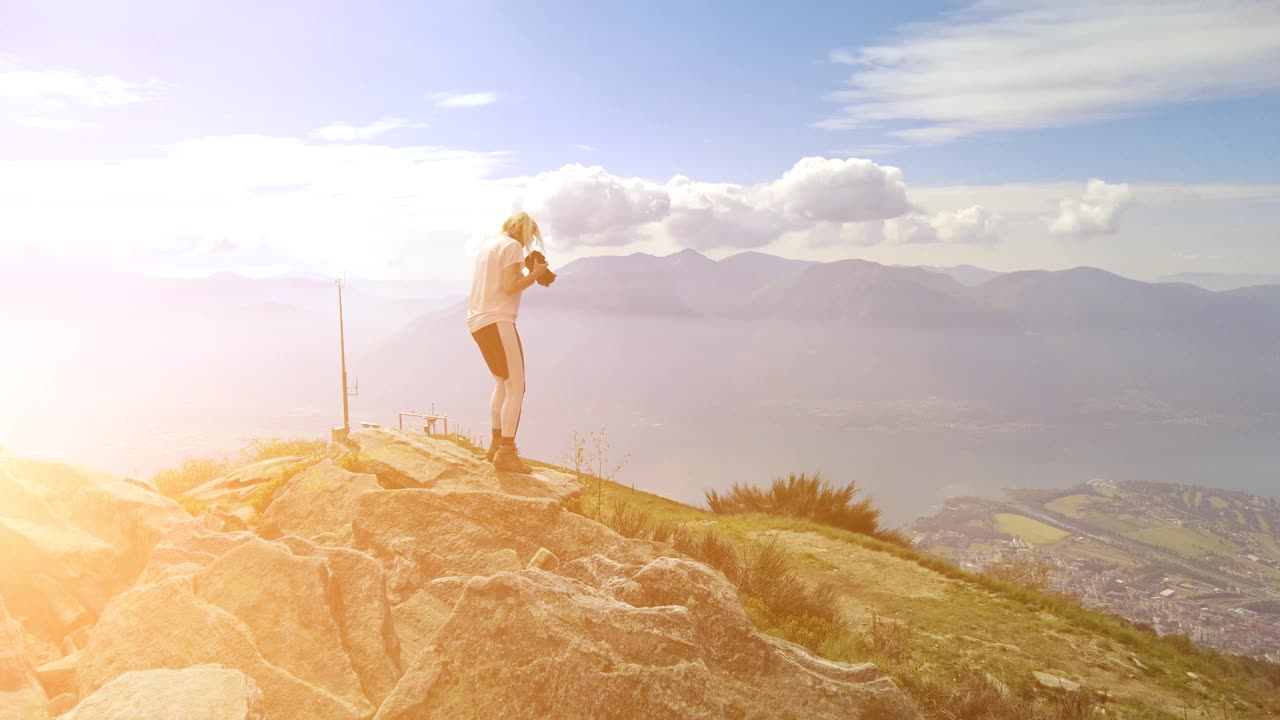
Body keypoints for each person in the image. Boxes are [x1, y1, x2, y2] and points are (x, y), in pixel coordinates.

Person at [466, 211, 551, 473]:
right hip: (499, 320)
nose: (528, 244)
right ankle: (506, 453)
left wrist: (526, 269)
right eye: (530, 237)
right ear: (524, 231)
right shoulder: (512, 246)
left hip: (477, 322)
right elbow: (509, 286)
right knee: (517, 387)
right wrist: (536, 273)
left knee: (501, 383)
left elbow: (499, 280)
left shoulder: (489, 246)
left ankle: (494, 446)